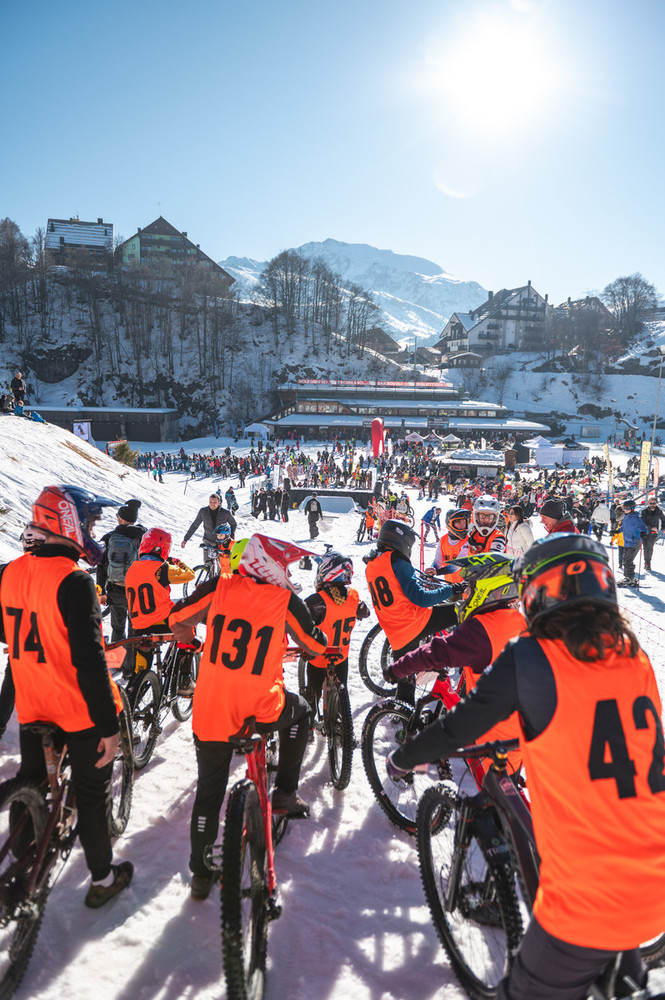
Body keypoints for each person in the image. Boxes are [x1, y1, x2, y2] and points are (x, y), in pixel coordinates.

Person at [387, 533, 665, 1000]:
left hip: (589, 897)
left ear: (537, 592)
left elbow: (459, 727)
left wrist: (402, 757)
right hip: (653, 874)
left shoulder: (532, 656)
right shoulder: (633, 655)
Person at [169, 534, 328, 900]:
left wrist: (196, 642)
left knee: (209, 790)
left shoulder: (219, 587)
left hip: (211, 707)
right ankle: (286, 793)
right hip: (260, 707)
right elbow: (315, 645)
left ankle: (200, 873)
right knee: (301, 712)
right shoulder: (284, 599)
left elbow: (176, 618)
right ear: (270, 564)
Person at [0, 485, 133, 907]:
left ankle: (25, 863)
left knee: (31, 781)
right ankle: (101, 879)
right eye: (90, 522)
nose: (92, 531)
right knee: (93, 797)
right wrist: (109, 727)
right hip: (77, 710)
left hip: (33, 704)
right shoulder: (73, 581)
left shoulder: (9, 572)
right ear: (69, 522)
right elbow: (91, 663)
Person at [386, 553, 525, 774]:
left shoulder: (480, 630)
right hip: (524, 732)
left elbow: (436, 652)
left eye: (470, 588)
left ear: (487, 587)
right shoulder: (518, 620)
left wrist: (397, 669)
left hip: (494, 741)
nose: (466, 594)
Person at [364, 519, 461, 704]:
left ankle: (402, 715)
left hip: (394, 630)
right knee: (458, 610)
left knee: (406, 678)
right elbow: (421, 598)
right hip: (413, 621)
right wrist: (452, 589)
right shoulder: (398, 562)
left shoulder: (373, 563)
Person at [302, 552, 370, 718]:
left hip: (318, 658)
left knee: (313, 692)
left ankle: (309, 726)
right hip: (340, 657)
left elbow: (301, 618)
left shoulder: (317, 601)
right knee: (342, 692)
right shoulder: (353, 596)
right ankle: (340, 720)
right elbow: (365, 612)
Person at [124, 528, 195, 686]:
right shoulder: (162, 569)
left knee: (142, 663)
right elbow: (190, 575)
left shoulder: (131, 570)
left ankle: (135, 690)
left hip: (139, 626)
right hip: (163, 623)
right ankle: (185, 679)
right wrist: (176, 562)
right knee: (189, 626)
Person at [96, 499, 144, 675]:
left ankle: (116, 663)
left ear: (120, 518)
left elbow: (102, 566)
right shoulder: (142, 536)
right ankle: (130, 669)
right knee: (133, 630)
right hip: (136, 591)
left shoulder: (110, 537)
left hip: (115, 590)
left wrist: (100, 588)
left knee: (117, 627)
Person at [181, 494, 237, 560]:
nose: (212, 504)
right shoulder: (203, 512)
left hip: (220, 543)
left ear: (219, 503)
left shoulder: (225, 513)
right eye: (210, 502)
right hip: (208, 541)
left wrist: (230, 538)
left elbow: (233, 524)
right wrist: (185, 539)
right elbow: (195, 525)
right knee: (208, 564)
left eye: (214, 502)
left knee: (221, 565)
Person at [427, 508, 470, 584]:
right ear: (449, 524)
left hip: (465, 586)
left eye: (464, 521)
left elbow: (458, 564)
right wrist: (433, 568)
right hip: (449, 585)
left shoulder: (468, 541)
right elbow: (438, 560)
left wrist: (437, 572)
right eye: (458, 522)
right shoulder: (443, 540)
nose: (462, 525)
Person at [618, 498, 648, 588]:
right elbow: (624, 527)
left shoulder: (636, 518)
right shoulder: (626, 517)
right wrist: (616, 531)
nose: (625, 510)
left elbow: (644, 529)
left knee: (628, 560)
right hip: (627, 542)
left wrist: (643, 533)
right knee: (625, 559)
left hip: (634, 542)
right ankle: (627, 577)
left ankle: (630, 578)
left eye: (627, 508)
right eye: (624, 508)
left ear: (632, 508)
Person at [641, 494, 665, 572]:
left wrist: (663, 528)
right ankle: (646, 562)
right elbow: (643, 522)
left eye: (654, 503)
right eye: (651, 503)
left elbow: (663, 520)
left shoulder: (659, 511)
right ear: (648, 503)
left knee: (650, 548)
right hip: (645, 532)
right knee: (646, 547)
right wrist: (651, 527)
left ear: (656, 503)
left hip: (653, 533)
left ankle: (648, 563)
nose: (652, 505)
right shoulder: (644, 512)